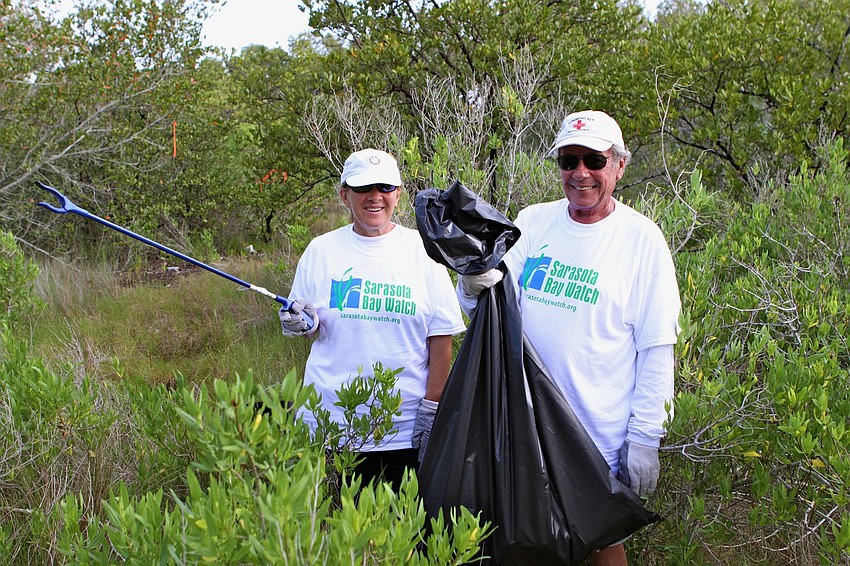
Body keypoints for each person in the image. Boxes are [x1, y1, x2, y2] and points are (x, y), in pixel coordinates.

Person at [457, 111, 681, 566]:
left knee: (602, 545)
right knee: (530, 545)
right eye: (568, 160)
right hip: (525, 430)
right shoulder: (533, 222)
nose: (581, 173)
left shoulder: (642, 240)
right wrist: (470, 282)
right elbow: (489, 307)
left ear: (620, 165)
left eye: (594, 160)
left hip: (596, 442)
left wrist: (645, 438)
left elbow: (656, 348)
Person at [279, 148, 466, 490]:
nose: (375, 196)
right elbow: (309, 324)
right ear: (344, 195)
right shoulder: (320, 251)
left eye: (385, 187)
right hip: (329, 426)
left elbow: (441, 339)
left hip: (403, 431)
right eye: (363, 187)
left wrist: (432, 410)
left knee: (404, 522)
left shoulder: (425, 251)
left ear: (398, 193)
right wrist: (301, 324)